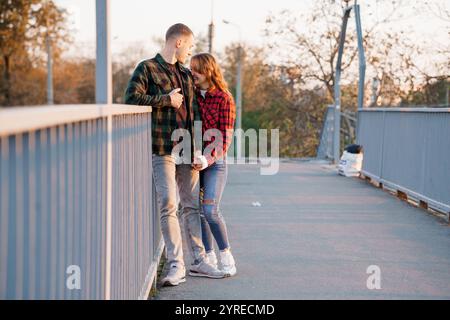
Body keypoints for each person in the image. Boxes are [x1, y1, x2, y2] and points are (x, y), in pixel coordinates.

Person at [124, 24, 225, 286]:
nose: (190, 51)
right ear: (178, 42)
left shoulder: (185, 73)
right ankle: (175, 266)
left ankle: (199, 262)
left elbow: (196, 113)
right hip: (162, 148)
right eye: (190, 46)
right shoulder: (147, 68)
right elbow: (130, 99)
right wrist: (164, 100)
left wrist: (199, 149)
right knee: (169, 203)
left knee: (191, 205)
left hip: (187, 148)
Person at [190, 53, 237, 277]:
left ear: (208, 70)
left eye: (196, 70)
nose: (193, 74)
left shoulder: (224, 98)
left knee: (210, 210)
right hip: (191, 161)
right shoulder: (191, 95)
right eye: (191, 69)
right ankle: (207, 258)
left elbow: (225, 139)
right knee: (199, 212)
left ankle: (226, 255)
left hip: (215, 163)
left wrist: (207, 158)